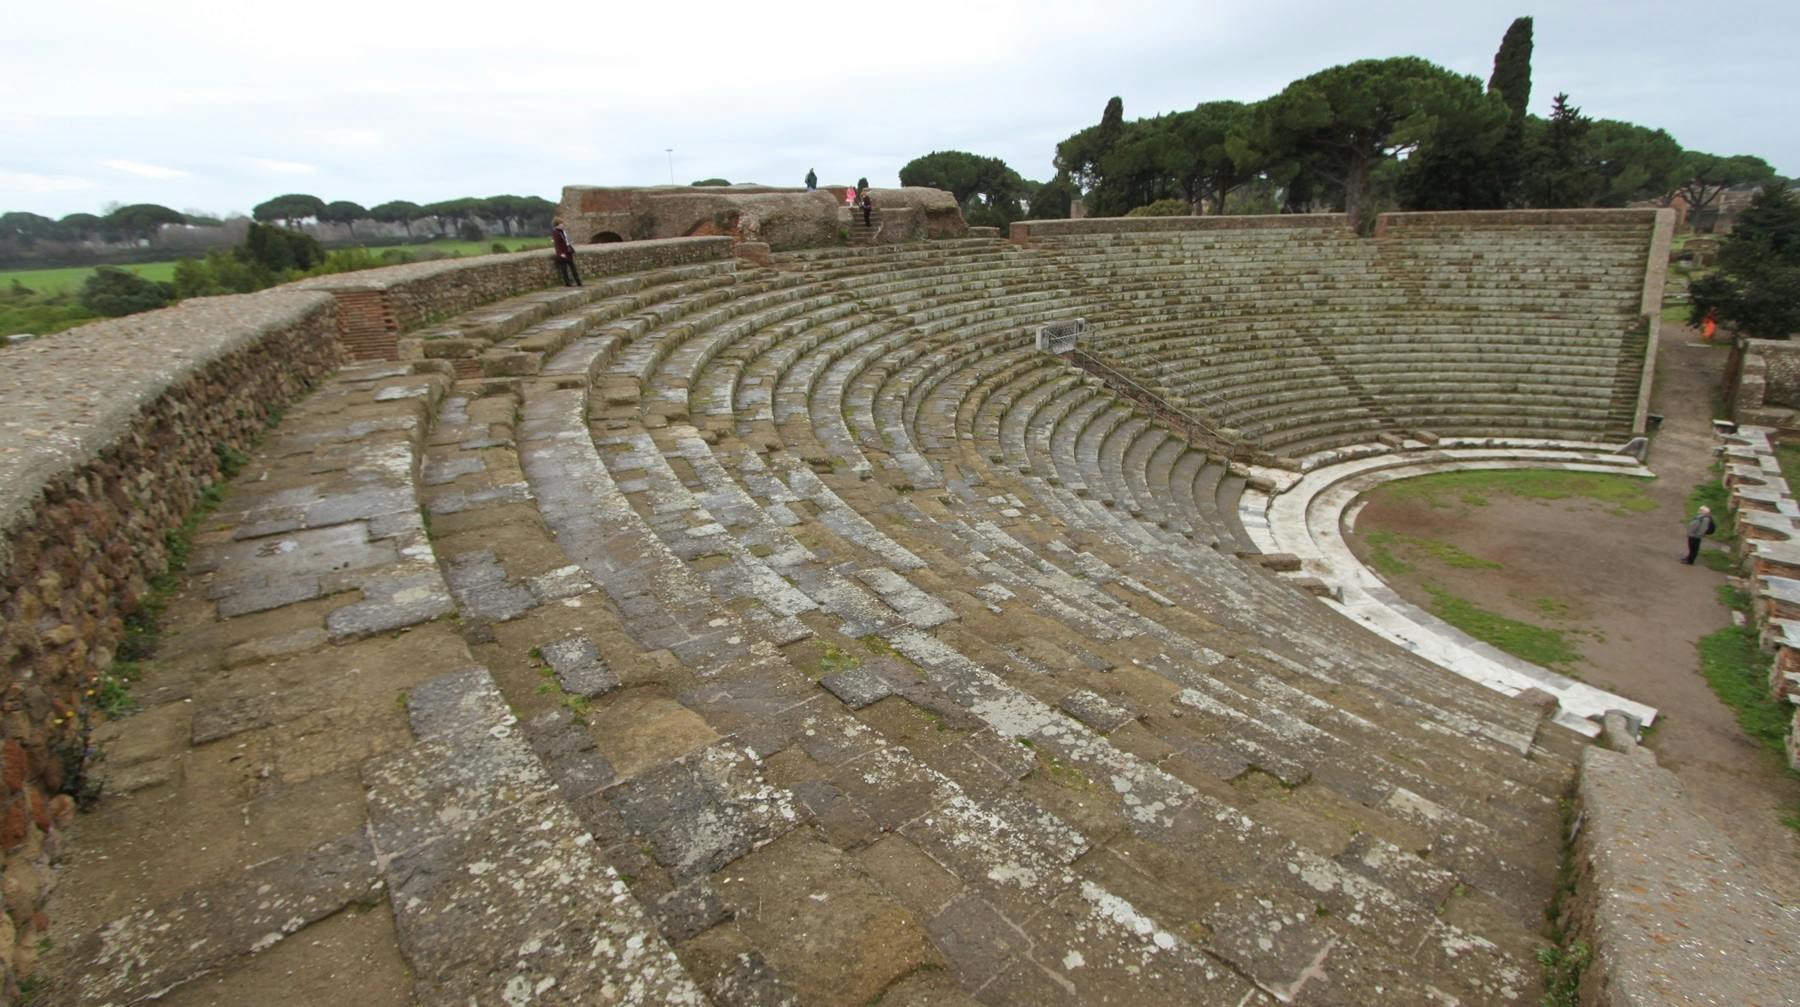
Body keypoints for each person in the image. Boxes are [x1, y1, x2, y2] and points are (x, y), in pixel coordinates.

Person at [551, 217, 581, 287]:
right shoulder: (555, 232)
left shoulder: (562, 231)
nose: (563, 225)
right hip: (562, 252)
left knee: (573, 267)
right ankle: (568, 283)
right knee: (564, 269)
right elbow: (557, 244)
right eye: (562, 224)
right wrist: (561, 253)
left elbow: (567, 241)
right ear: (557, 224)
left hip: (568, 251)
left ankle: (578, 281)